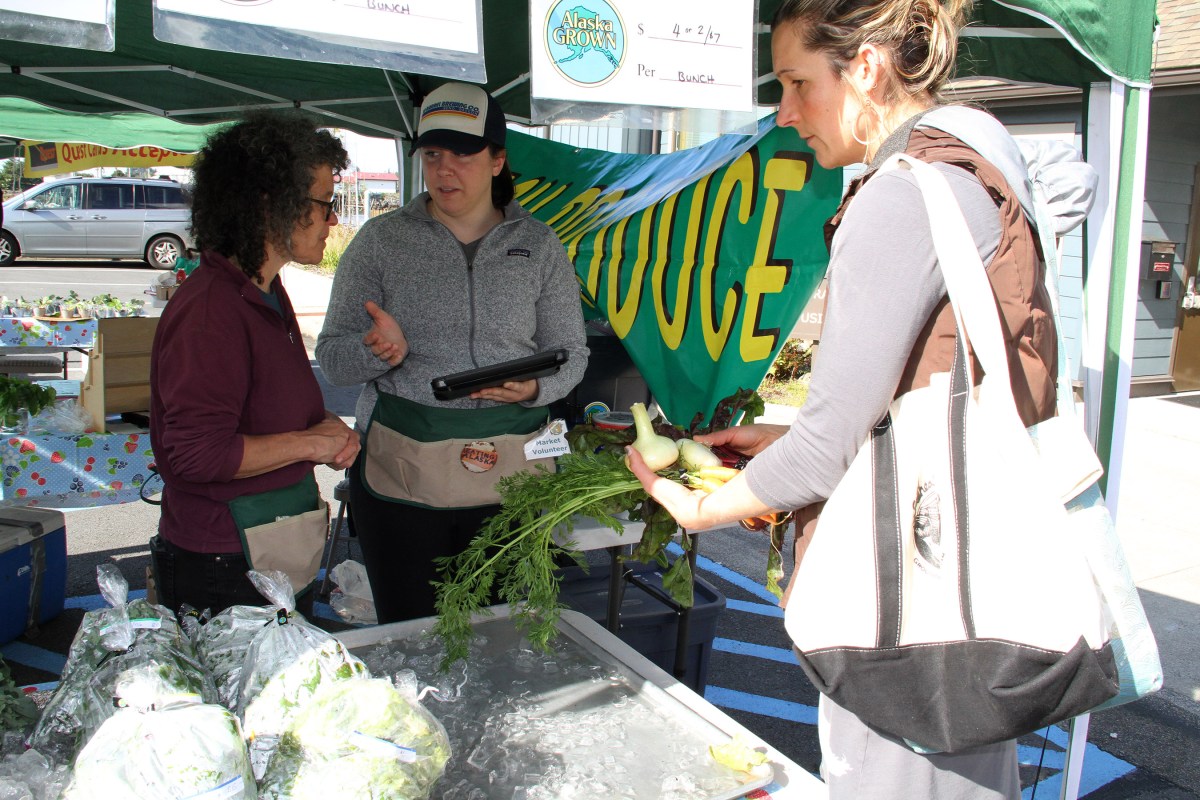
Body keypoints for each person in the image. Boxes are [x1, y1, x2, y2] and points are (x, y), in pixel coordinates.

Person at [625, 0, 1092, 796]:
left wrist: (701, 506)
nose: (785, 112)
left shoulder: (901, 195)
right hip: (970, 589)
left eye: (798, 82)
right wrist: (787, 440)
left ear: (867, 70)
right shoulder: (982, 170)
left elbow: (828, 448)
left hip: (908, 614)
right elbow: (924, 395)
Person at [316, 82, 588, 623]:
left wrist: (537, 387)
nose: (445, 171)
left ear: (497, 161)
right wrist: (377, 352)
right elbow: (332, 356)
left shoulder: (538, 244)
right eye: (433, 154)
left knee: (504, 629)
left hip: (513, 475)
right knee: (411, 629)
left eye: (463, 154)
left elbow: (572, 353)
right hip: (404, 472)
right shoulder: (381, 240)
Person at [149, 111, 359, 616]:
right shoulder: (211, 311)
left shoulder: (266, 290)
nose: (333, 220)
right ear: (270, 204)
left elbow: (266, 406)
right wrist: (311, 443)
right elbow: (196, 455)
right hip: (225, 562)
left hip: (273, 546)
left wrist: (325, 426)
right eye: (325, 203)